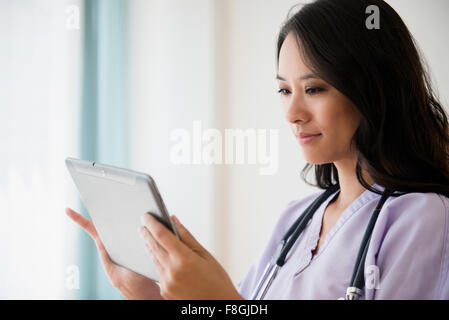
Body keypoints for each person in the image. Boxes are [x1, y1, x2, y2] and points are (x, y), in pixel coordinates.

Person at [66, 0, 449, 299]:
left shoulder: (423, 218)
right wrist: (154, 293)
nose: (292, 113)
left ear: (374, 90)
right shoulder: (296, 220)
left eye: (314, 89)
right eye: (285, 90)